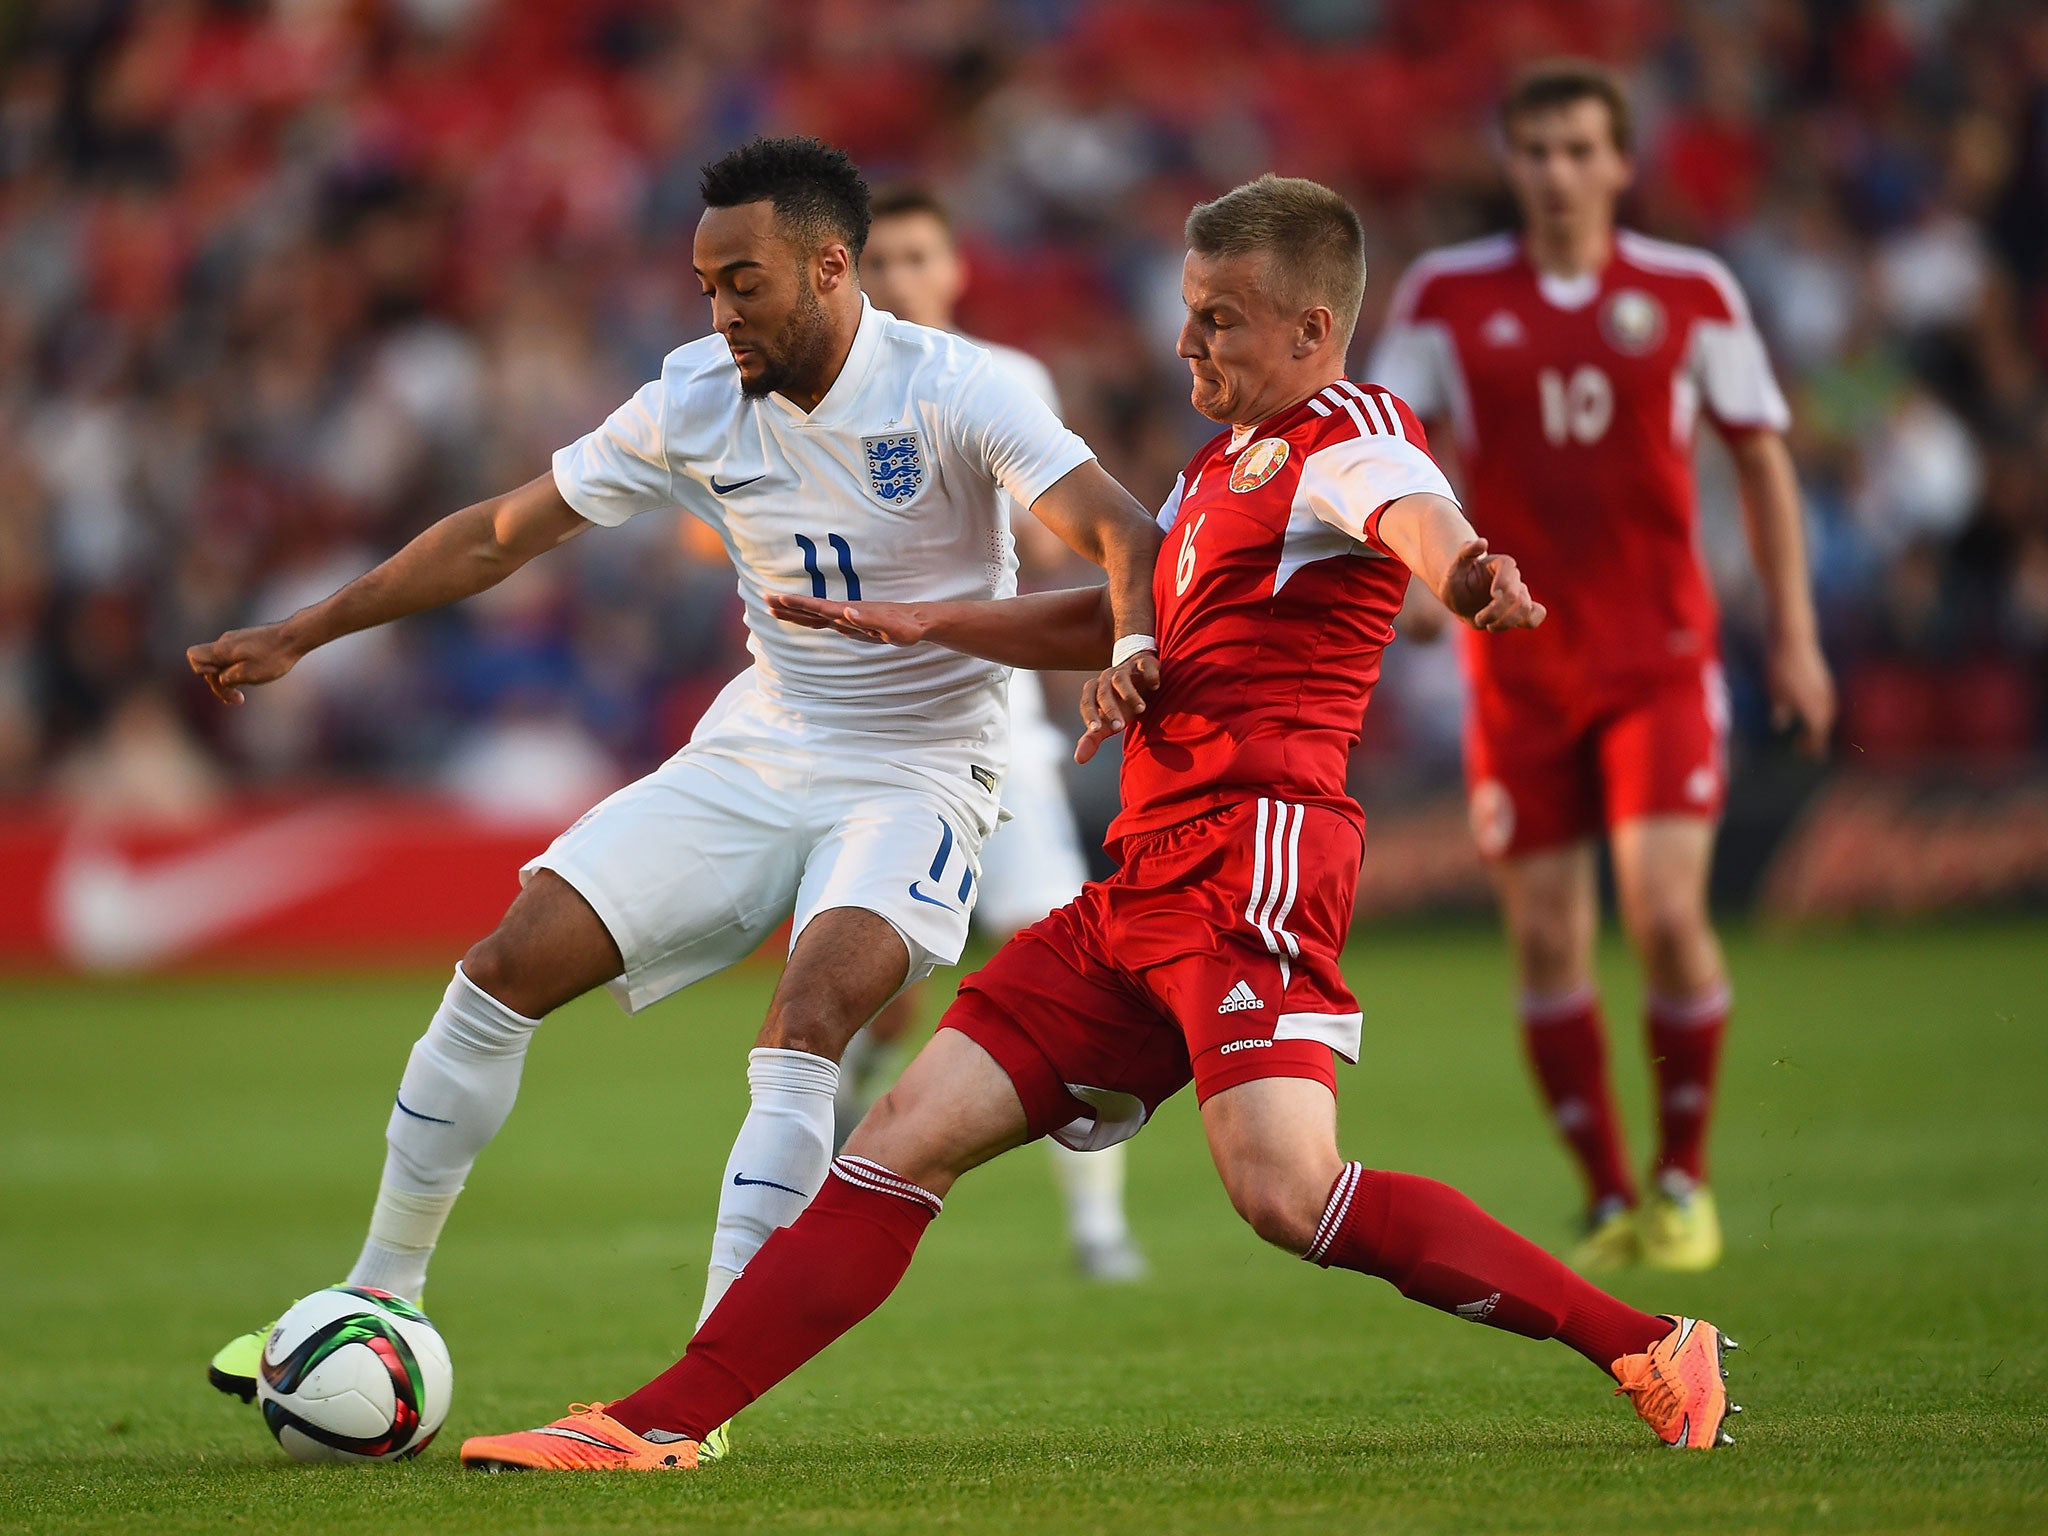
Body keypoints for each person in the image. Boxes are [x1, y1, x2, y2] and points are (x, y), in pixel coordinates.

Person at [456, 175, 1741, 1474]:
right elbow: (1125, 612)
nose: (1189, 344)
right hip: (1143, 881)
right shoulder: (1219, 464)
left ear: (1311, 330)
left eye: (1223, 322)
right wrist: (937, 621)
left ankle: (1642, 1339)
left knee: (1287, 1195)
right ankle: (659, 1421)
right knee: (902, 1137)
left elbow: (1408, 507)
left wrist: (1461, 567)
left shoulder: (1343, 433)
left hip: (1256, 857)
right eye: (1187, 314)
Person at [186, 137, 1163, 1458]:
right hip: (761, 746)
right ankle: (380, 1289)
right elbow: (495, 534)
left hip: (926, 767)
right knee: (500, 966)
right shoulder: (696, 400)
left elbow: (1124, 529)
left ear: (830, 266)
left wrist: (1128, 646)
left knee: (810, 1015)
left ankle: (690, 1408)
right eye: (704, 285)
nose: (718, 313)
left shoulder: (956, 389)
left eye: (742, 283)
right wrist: (308, 630)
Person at [1368, 61, 1836, 1272]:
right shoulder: (1445, 294)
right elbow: (1384, 450)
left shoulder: (1687, 291)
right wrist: (1422, 584)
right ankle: (1605, 1193)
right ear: (1508, 164)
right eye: (1536, 151)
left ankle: (1683, 1180)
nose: (1558, 172)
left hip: (1658, 659)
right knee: (1543, 944)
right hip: (1513, 666)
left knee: (1670, 916)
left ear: (1621, 163)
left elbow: (1762, 460)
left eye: (1581, 149)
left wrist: (1791, 634)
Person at [845, 185, 1144, 1282]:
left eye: (918, 257)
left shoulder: (1005, 381)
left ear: (955, 267)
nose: (900, 280)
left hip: (997, 722)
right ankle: (840, 1102)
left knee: (1055, 949)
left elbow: (1070, 536)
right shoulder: (818, 386)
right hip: (871, 734)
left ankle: (1098, 1230)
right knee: (880, 981)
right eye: (879, 262)